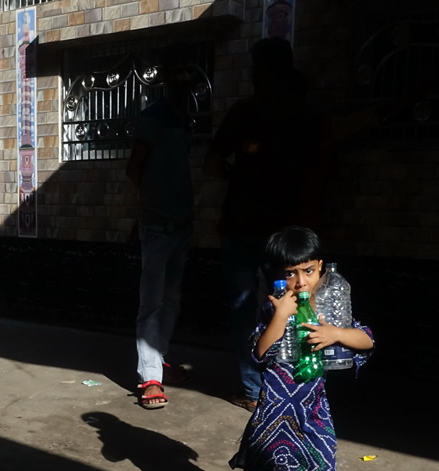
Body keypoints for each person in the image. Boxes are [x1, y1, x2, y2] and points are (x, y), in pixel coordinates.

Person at [222, 226, 375, 471]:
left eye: (308, 271)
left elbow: (366, 340)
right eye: (291, 273)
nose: (301, 282)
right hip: (277, 400)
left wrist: (335, 333)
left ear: (321, 266)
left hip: (313, 405)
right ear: (279, 276)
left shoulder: (333, 304)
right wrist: (279, 316)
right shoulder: (274, 305)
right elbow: (259, 353)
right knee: (258, 463)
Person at [204, 39, 320, 412]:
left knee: (244, 311)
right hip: (285, 232)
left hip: (244, 224)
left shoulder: (246, 111)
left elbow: (212, 163)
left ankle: (254, 391)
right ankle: (292, 381)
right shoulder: (304, 114)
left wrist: (240, 175)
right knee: (294, 304)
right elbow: (318, 171)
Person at [127, 44, 196, 409]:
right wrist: (148, 211)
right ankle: (150, 377)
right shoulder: (154, 116)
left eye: (190, 70)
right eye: (179, 70)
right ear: (166, 77)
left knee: (171, 299)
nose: (186, 77)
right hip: (157, 225)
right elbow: (134, 167)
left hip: (182, 223)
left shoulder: (184, 117)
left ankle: (160, 361)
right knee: (152, 303)